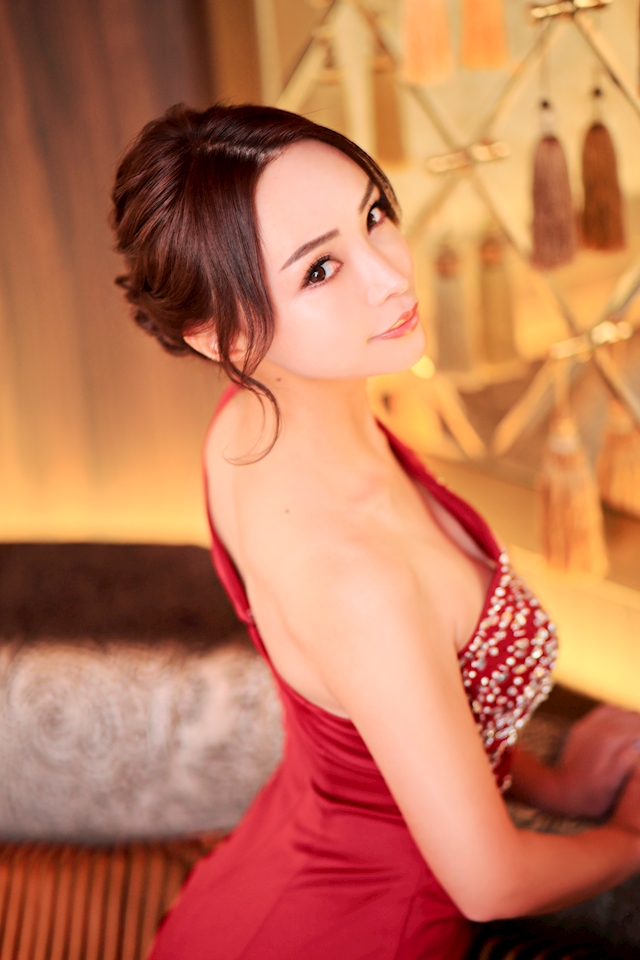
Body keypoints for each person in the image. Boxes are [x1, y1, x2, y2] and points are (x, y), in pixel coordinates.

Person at [111, 103, 640, 960]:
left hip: (264, 878)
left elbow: (398, 718)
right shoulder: (357, 578)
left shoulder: (248, 428)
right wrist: (627, 837)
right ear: (220, 335)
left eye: (374, 215)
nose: (392, 274)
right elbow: (492, 882)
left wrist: (555, 784)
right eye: (321, 269)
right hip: (359, 931)